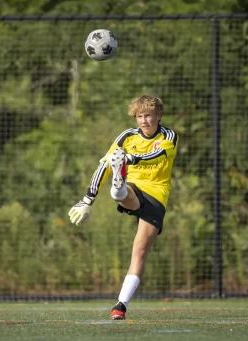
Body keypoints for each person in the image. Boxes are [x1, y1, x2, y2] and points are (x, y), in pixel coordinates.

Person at [68, 94, 179, 320]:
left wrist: (130, 159)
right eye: (139, 116)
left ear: (158, 116)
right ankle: (117, 188)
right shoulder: (127, 136)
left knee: (139, 251)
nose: (144, 121)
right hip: (134, 186)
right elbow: (104, 165)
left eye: (148, 115)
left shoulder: (169, 135)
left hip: (157, 193)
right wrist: (88, 199)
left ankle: (121, 305)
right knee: (122, 185)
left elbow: (156, 155)